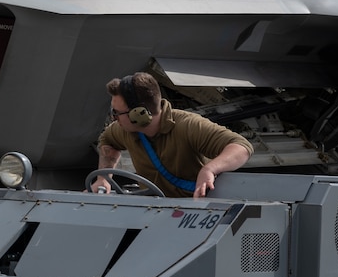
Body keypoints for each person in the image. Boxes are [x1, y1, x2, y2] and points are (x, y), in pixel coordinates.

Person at [92, 72, 251, 198]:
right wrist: (103, 179)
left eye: (117, 113)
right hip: (152, 209)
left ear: (139, 114)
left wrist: (209, 170)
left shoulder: (187, 125)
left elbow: (241, 147)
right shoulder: (123, 129)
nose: (114, 118)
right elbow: (108, 141)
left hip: (194, 210)